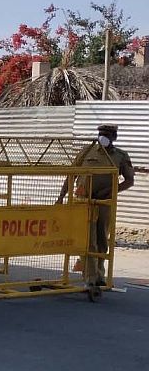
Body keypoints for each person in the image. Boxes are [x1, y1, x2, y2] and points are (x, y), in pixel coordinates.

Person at [59, 124, 135, 290]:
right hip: (83, 202)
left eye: (107, 134)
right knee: (87, 240)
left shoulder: (120, 156)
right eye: (101, 133)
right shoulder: (87, 151)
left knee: (101, 240)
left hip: (104, 204)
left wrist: (111, 191)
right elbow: (72, 174)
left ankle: (99, 276)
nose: (103, 137)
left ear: (114, 137)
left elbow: (130, 181)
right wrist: (61, 196)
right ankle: (90, 277)